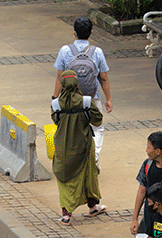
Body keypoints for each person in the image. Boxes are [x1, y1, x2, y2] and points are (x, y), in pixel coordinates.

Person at [53, 16, 112, 170]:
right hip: (92, 97)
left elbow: (60, 76)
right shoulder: (97, 52)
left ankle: (73, 161)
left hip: (69, 98)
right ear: (91, 33)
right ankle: (94, 159)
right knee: (97, 127)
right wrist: (108, 99)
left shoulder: (65, 50)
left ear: (74, 33)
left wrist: (55, 98)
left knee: (70, 128)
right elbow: (103, 78)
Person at [51, 70, 107, 225]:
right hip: (84, 146)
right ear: (76, 83)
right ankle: (93, 207)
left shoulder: (56, 104)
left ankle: (66, 215)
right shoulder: (86, 102)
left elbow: (56, 121)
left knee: (65, 180)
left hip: (63, 148)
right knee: (89, 177)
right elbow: (97, 120)